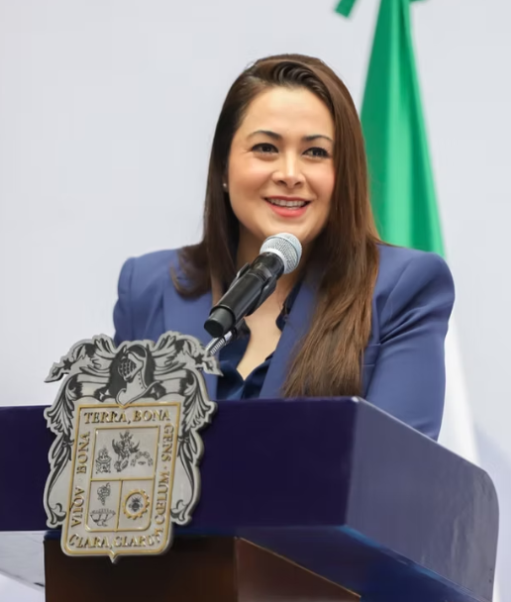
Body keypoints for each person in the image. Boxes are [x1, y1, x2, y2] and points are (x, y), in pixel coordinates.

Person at [112, 54, 454, 440]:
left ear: (343, 173)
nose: (290, 174)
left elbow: (394, 467)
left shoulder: (402, 289)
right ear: (223, 168)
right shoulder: (147, 287)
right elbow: (107, 455)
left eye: (315, 152)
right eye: (266, 148)